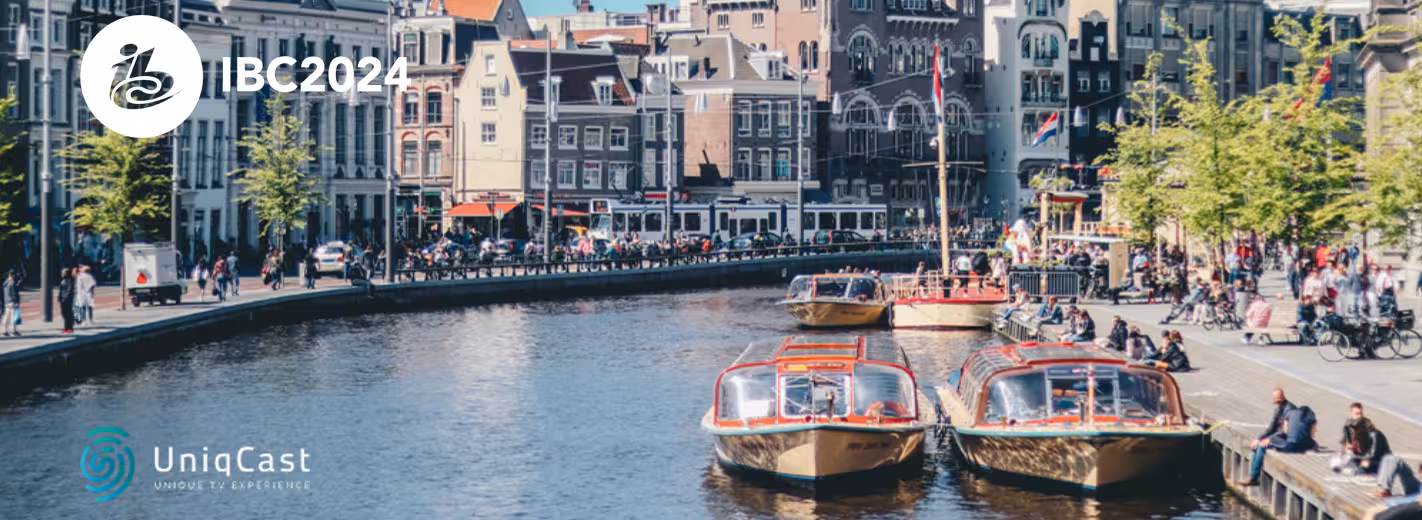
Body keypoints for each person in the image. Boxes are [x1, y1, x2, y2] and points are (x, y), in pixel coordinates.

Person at [1240, 388, 1300, 486]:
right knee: (1257, 444)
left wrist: (1269, 439)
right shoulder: (1278, 409)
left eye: (1278, 401)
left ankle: (1253, 477)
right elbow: (1271, 428)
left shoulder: (1291, 410)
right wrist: (1258, 438)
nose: (1277, 404)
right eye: (1275, 402)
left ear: (1282, 398)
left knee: (1262, 446)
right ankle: (1252, 475)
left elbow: (1286, 432)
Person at [1335, 403, 1391, 477]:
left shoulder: (1372, 433)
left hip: (1380, 460)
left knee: (1357, 470)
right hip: (1364, 455)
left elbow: (1373, 452)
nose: (1360, 416)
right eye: (1356, 414)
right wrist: (1342, 451)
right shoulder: (1349, 425)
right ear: (1351, 414)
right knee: (1348, 463)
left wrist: (1366, 459)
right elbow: (1345, 441)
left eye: (1360, 413)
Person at [58, 268, 75, 333]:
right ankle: (66, 327)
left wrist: (66, 297)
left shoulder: (70, 281)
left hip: (67, 299)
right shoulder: (63, 281)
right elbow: (61, 290)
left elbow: (69, 290)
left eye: (63, 273)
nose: (62, 274)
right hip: (62, 299)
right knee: (64, 313)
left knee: (68, 313)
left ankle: (70, 327)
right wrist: (59, 297)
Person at [2, 271, 20, 337]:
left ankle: (4, 330)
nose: (14, 277)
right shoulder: (12, 283)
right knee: (14, 317)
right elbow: (14, 294)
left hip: (7, 302)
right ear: (11, 276)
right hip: (12, 302)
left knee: (6, 317)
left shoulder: (5, 283)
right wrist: (16, 302)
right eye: (14, 275)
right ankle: (13, 330)